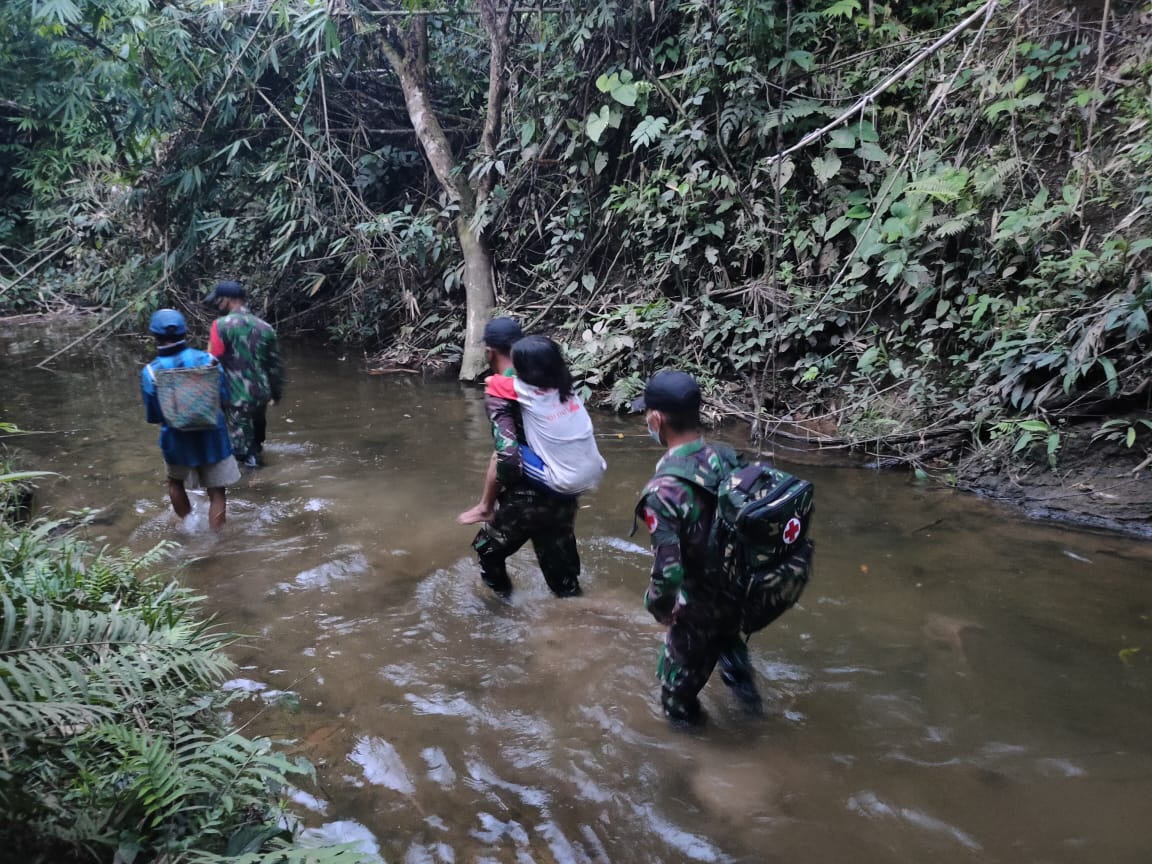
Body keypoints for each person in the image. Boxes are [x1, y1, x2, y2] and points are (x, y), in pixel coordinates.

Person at [633, 370, 761, 725]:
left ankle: (694, 758)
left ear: (657, 419)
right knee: (732, 653)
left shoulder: (663, 492)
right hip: (736, 593)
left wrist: (659, 608)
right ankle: (756, 721)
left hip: (697, 608)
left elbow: (668, 571)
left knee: (676, 697)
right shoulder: (725, 456)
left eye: (647, 414)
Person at [458, 318, 585, 598]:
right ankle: (579, 620)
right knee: (564, 581)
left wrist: (498, 500)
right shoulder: (550, 377)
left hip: (529, 493)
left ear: (489, 352)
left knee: (487, 550)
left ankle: (506, 611)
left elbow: (508, 456)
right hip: (564, 488)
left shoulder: (500, 390)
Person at [141, 308, 240, 531]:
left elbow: (154, 416)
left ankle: (188, 527)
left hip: (176, 440)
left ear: (155, 336)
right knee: (217, 491)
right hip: (212, 437)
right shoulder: (209, 360)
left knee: (175, 483)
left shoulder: (150, 372)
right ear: (185, 332)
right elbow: (224, 398)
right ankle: (216, 540)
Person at [202, 280, 285, 468]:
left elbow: (211, 362)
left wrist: (208, 399)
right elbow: (274, 366)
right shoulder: (265, 327)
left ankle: (255, 487)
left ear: (227, 300)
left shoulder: (220, 326)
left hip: (236, 397)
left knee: (242, 451)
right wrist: (276, 394)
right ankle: (257, 464)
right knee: (256, 442)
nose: (217, 305)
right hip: (260, 395)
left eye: (218, 301)